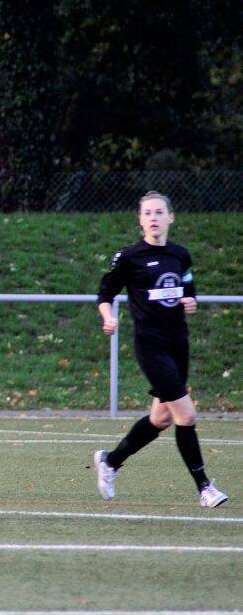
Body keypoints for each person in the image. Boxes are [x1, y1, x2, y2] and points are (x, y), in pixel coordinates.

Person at [94, 191, 228, 508]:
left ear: (171, 217)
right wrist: (108, 316)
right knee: (186, 414)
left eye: (159, 212)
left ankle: (110, 461)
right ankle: (204, 488)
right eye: (147, 213)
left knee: (161, 418)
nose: (153, 218)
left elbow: (188, 289)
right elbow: (105, 293)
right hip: (150, 344)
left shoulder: (180, 255)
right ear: (140, 220)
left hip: (178, 343)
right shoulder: (129, 256)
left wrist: (191, 301)